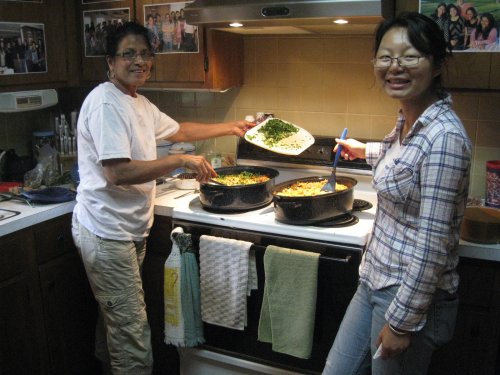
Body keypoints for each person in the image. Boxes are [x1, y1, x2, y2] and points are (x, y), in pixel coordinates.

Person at [71, 21, 253, 375]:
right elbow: (118, 172)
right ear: (110, 62)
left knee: (117, 326)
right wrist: (179, 160)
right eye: (128, 54)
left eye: (144, 54)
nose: (139, 61)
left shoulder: (136, 101)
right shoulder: (107, 104)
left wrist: (231, 127)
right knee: (133, 339)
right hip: (107, 233)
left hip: (126, 231)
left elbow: (178, 130)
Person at [322, 12, 471, 375]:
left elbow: (432, 244)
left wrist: (402, 323)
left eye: (410, 56)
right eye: (386, 57)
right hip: (375, 277)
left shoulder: (445, 138)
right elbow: (406, 165)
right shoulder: (409, 120)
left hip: (408, 296)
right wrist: (366, 151)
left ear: (437, 64)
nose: (395, 67)